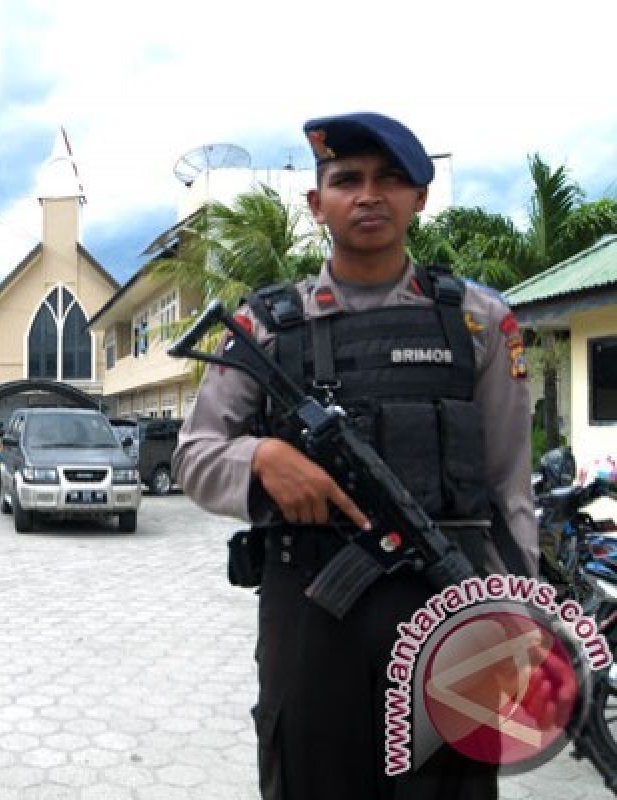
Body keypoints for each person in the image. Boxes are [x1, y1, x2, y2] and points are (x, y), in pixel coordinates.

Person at [173, 112, 537, 799]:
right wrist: (259, 459)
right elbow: (195, 455)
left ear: (420, 199)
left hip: (446, 604)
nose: (369, 195)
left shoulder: (480, 323)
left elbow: (508, 490)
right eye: (347, 180)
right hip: (313, 609)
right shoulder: (266, 326)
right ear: (317, 204)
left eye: (391, 179)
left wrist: (514, 615)